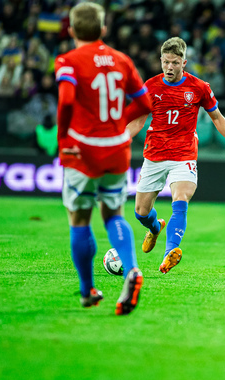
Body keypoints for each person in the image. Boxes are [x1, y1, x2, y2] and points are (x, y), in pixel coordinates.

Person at [55, 2, 152, 315]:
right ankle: (132, 269)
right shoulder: (121, 60)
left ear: (70, 31)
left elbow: (67, 99)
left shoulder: (67, 61)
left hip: (83, 150)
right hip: (117, 148)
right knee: (113, 213)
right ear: (104, 30)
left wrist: (64, 138)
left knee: (79, 219)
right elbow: (145, 103)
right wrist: (119, 127)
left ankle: (88, 291)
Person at [127, 37, 225, 275]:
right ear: (160, 60)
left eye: (175, 62)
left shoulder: (199, 87)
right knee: (140, 211)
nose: (169, 67)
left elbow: (217, 117)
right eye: (166, 62)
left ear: (184, 62)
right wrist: (119, 142)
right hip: (155, 154)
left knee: (180, 199)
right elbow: (139, 119)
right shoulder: (150, 87)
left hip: (184, 154)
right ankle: (154, 226)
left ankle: (169, 253)